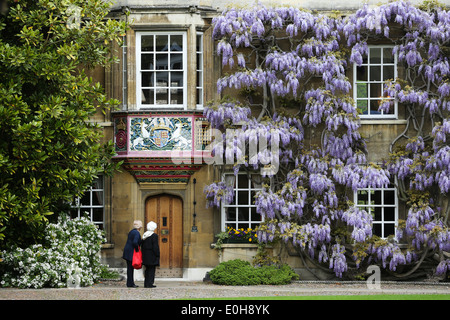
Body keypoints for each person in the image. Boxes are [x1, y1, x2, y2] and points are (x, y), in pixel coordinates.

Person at [122, 220, 142, 288]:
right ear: (140, 227)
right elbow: (135, 242)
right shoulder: (136, 233)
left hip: (127, 251)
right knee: (130, 269)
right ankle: (131, 283)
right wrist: (137, 249)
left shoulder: (131, 231)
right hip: (131, 252)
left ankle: (129, 283)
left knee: (129, 269)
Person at [141, 221, 160, 288]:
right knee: (151, 270)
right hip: (152, 256)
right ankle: (150, 283)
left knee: (147, 270)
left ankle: (146, 283)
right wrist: (157, 254)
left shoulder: (145, 235)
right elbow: (155, 247)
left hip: (145, 255)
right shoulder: (154, 235)